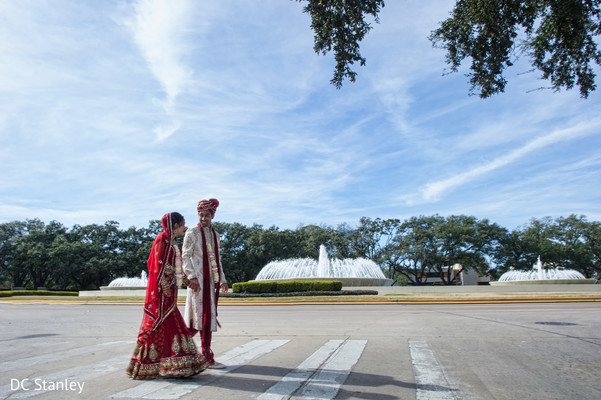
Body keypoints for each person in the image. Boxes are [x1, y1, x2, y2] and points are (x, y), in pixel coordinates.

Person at [126, 212, 209, 379]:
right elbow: (155, 265)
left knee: (169, 323)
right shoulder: (162, 239)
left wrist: (185, 280)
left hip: (170, 291)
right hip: (163, 293)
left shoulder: (172, 242)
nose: (184, 228)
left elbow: (175, 267)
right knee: (160, 323)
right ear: (176, 225)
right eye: (183, 224)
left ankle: (173, 363)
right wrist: (164, 285)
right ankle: (154, 363)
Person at [182, 198, 229, 369]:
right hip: (198, 283)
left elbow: (217, 259)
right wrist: (192, 276)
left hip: (210, 283)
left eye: (206, 215)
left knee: (207, 318)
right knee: (198, 319)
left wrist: (222, 280)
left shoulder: (215, 235)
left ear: (212, 216)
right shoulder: (192, 232)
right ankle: (178, 349)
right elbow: (185, 255)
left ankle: (205, 354)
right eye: (201, 215)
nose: (203, 218)